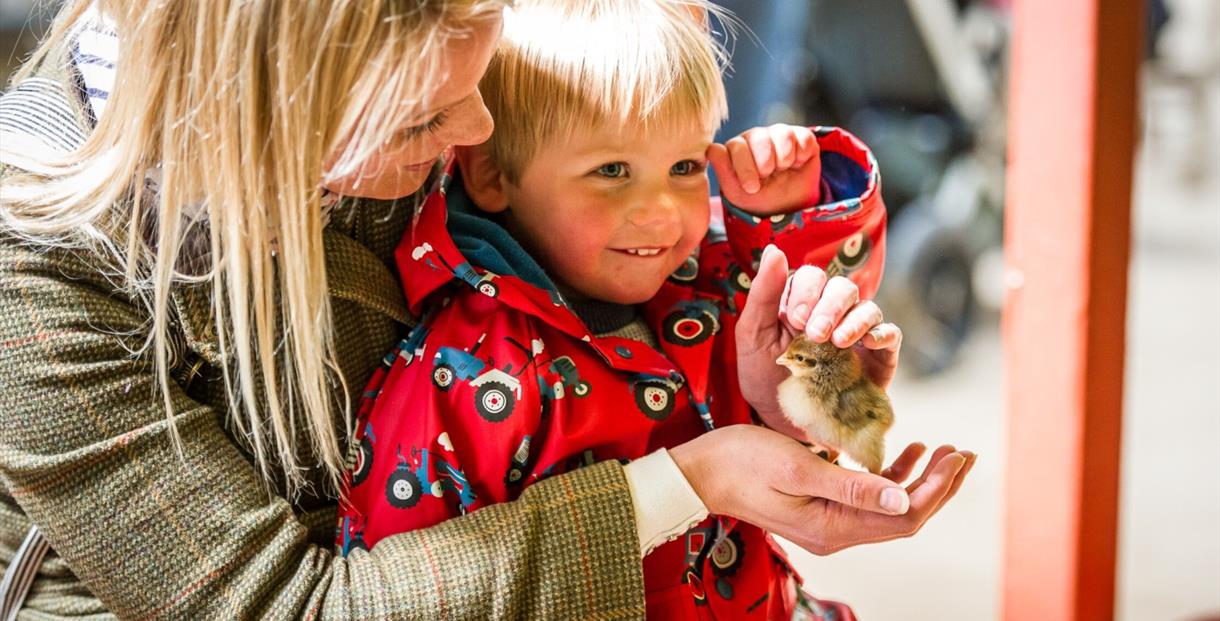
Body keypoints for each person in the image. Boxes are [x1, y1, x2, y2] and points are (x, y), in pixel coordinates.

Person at [0, 0, 973, 619]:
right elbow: (285, 607)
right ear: (267, 109)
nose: (476, 131)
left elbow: (626, 286)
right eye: (424, 120)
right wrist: (694, 482)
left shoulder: (418, 98)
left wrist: (771, 378)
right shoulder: (34, 278)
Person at [335, 1, 975, 619]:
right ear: (492, 175)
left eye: (685, 165)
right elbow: (419, 582)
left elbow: (801, 335)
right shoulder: (462, 375)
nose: (665, 210)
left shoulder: (707, 282)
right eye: (612, 169)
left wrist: (789, 219)